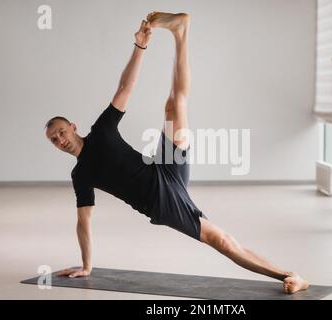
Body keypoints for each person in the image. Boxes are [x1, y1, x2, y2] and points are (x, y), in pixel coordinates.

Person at [44, 12, 308, 294]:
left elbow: (125, 86)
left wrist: (140, 46)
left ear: (73, 127)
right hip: (160, 200)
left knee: (174, 106)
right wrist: (87, 265)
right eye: (53, 139)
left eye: (61, 131)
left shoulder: (102, 129)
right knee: (220, 240)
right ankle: (288, 276)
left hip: (164, 167)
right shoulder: (80, 174)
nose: (60, 139)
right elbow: (84, 222)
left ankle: (180, 33)